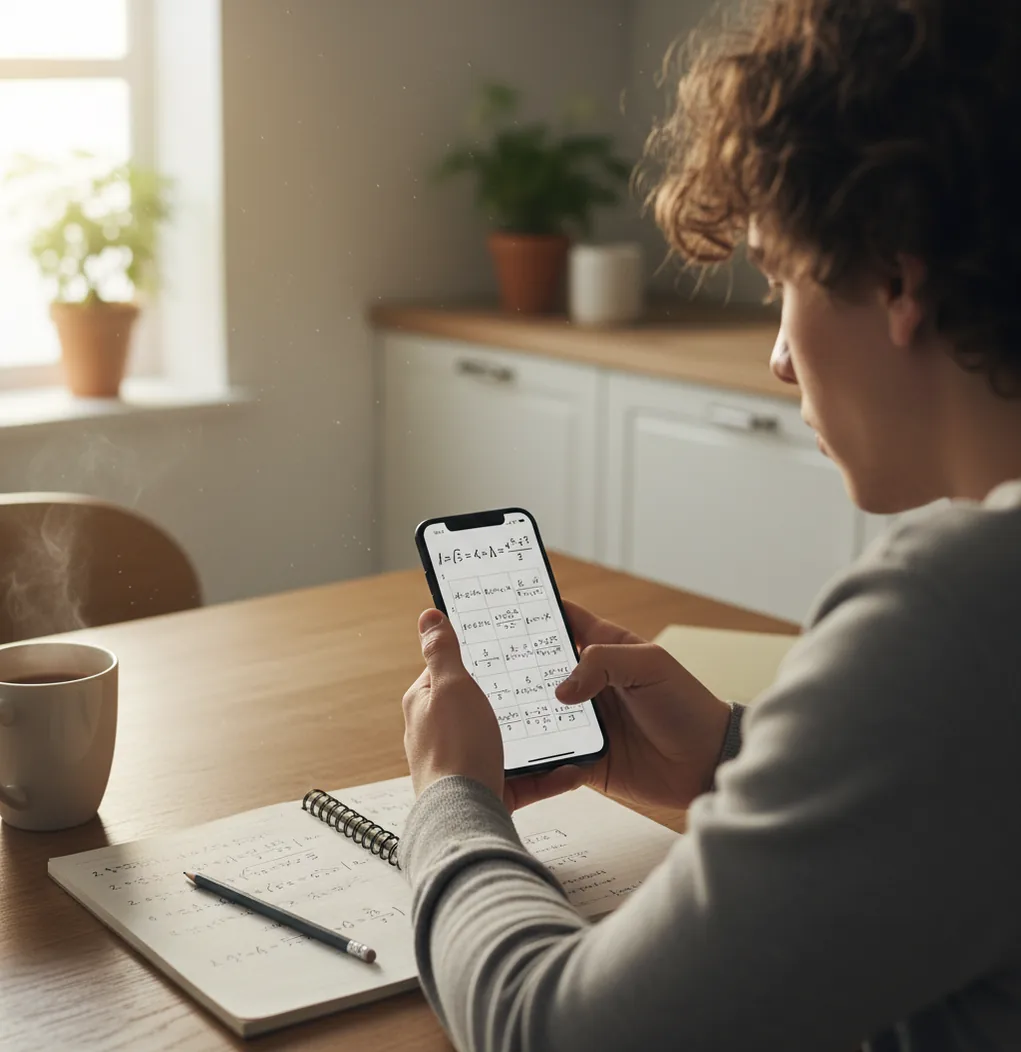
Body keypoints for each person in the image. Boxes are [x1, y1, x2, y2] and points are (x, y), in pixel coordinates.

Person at [400, 0, 1021, 1048]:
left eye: (778, 277)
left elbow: (554, 1031)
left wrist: (449, 796)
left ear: (893, 278)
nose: (777, 357)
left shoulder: (963, 609)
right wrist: (737, 756)